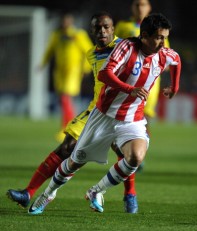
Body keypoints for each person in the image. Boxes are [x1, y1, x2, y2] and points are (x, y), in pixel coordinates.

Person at [27, 12, 181, 215]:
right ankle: (48, 194)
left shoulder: (165, 54)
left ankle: (96, 191)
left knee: (135, 157)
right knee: (75, 161)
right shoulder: (126, 47)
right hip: (104, 116)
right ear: (144, 35)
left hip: (132, 119)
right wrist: (130, 89)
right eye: (159, 37)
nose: (163, 42)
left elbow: (177, 60)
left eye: (165, 37)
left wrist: (174, 87)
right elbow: (104, 73)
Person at [7, 12, 139, 214]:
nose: (102, 31)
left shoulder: (127, 48)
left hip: (121, 111)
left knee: (126, 155)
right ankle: (28, 192)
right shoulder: (91, 53)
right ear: (92, 31)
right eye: (97, 28)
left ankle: (130, 194)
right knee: (67, 146)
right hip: (96, 109)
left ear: (113, 29)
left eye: (106, 27)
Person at [115, 0, 170, 137]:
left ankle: (137, 153)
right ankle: (130, 152)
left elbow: (166, 56)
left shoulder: (158, 29)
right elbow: (114, 50)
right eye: (137, 5)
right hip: (129, 80)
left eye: (143, 5)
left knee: (145, 118)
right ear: (132, 7)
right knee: (126, 120)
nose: (140, 8)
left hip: (150, 81)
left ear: (149, 7)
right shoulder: (122, 26)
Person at [39, 12, 93, 141]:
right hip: (60, 72)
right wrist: (42, 64)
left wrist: (86, 68)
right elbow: (50, 50)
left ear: (71, 22)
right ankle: (71, 128)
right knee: (64, 100)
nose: (65, 23)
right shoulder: (57, 35)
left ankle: (66, 129)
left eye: (67, 21)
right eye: (63, 21)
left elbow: (89, 51)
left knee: (65, 98)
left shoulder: (78, 35)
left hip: (73, 71)